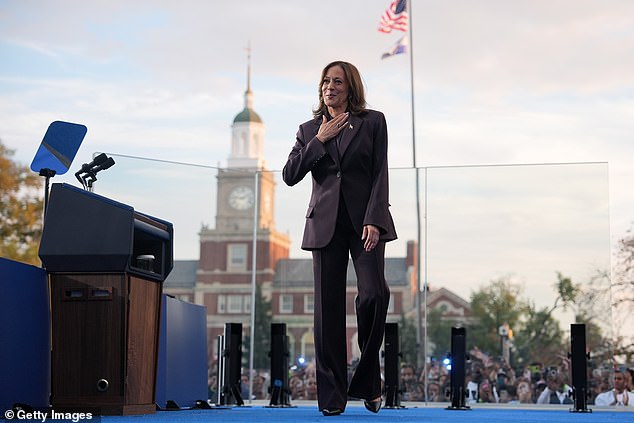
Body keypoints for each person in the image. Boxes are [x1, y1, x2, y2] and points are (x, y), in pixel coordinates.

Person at [282, 60, 397, 416]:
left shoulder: (372, 121)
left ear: (351, 89)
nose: (330, 86)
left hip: (365, 223)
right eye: (325, 81)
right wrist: (320, 140)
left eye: (338, 82)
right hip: (324, 226)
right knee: (327, 312)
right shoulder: (308, 130)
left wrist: (376, 220)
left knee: (374, 295)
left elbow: (380, 173)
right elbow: (289, 175)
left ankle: (368, 380)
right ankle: (332, 398)